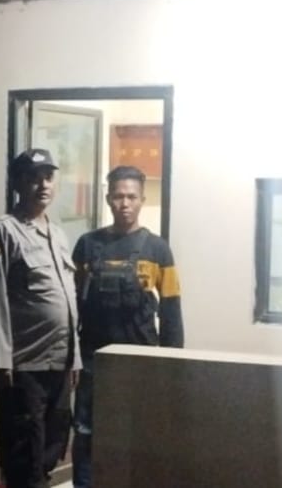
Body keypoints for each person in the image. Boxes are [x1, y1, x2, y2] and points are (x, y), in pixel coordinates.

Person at [71, 165, 184, 488]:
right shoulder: (87, 245)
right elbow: (72, 306)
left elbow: (172, 310)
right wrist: (71, 358)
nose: (125, 203)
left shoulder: (158, 249)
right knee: (86, 432)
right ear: (108, 199)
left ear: (142, 200)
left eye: (131, 197)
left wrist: (172, 364)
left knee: (141, 434)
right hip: (93, 359)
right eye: (118, 196)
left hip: (142, 359)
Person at [0, 148, 82, 488]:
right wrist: (0, 362)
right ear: (18, 184)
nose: (43, 185)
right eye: (33, 178)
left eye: (48, 177)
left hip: (60, 365)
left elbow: (68, 301)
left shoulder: (58, 234)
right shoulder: (2, 232)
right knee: (25, 452)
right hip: (26, 366)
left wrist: (75, 358)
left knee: (52, 447)